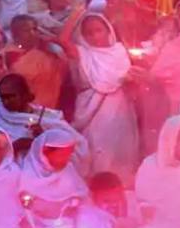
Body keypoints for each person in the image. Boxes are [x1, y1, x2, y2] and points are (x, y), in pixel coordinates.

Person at [59, 13, 139, 182]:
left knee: (120, 149)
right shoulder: (83, 53)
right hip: (93, 111)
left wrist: (131, 81)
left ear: (108, 30)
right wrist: (76, 13)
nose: (95, 36)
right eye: (89, 33)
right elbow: (63, 40)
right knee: (97, 149)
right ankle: (97, 187)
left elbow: (130, 82)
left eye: (98, 30)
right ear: (82, 36)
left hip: (120, 109)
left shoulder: (119, 50)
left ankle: (120, 187)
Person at [3, 17, 67, 111]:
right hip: (22, 111)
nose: (33, 33)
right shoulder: (7, 55)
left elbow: (64, 73)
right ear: (15, 34)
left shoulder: (49, 51)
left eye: (34, 29)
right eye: (26, 30)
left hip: (50, 110)